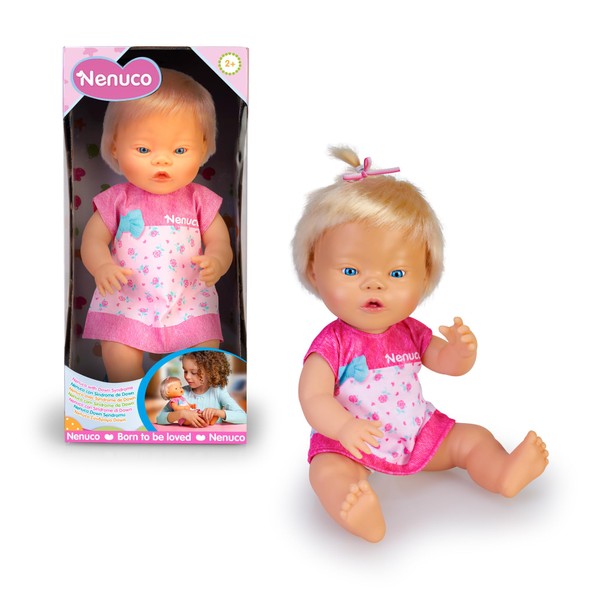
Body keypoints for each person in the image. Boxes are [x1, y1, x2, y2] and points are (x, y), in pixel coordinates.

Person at [292, 146, 549, 543]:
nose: (374, 284)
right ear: (314, 269)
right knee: (326, 470)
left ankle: (502, 472)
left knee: (472, 438)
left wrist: (460, 354)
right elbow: (312, 396)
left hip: (417, 429)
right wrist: (344, 427)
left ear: (425, 275)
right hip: (348, 441)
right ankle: (354, 506)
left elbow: (443, 361)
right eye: (351, 270)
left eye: (396, 273)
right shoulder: (333, 342)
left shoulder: (410, 331)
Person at [81, 68, 233, 382]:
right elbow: (93, 240)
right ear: (115, 147)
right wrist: (101, 267)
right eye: (143, 149)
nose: (162, 160)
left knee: (206, 358)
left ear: (203, 147)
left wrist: (218, 260)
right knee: (119, 357)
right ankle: (126, 399)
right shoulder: (117, 199)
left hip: (190, 298)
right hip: (128, 298)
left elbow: (220, 242)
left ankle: (198, 400)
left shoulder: (200, 200)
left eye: (180, 150)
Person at [156, 351, 246, 427]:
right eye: (185, 371)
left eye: (193, 372)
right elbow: (159, 418)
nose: (187, 376)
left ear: (210, 372)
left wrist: (218, 412)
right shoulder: (181, 393)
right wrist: (182, 413)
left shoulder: (218, 391)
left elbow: (243, 417)